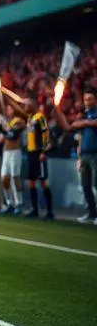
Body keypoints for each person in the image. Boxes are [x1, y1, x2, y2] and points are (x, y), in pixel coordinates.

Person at [55, 87, 97, 224]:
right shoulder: (84, 114)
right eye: (85, 99)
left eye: (90, 99)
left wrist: (84, 122)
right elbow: (68, 127)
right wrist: (58, 110)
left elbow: (92, 123)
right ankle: (91, 213)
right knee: (86, 186)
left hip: (95, 154)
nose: (87, 101)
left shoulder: (91, 115)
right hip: (84, 154)